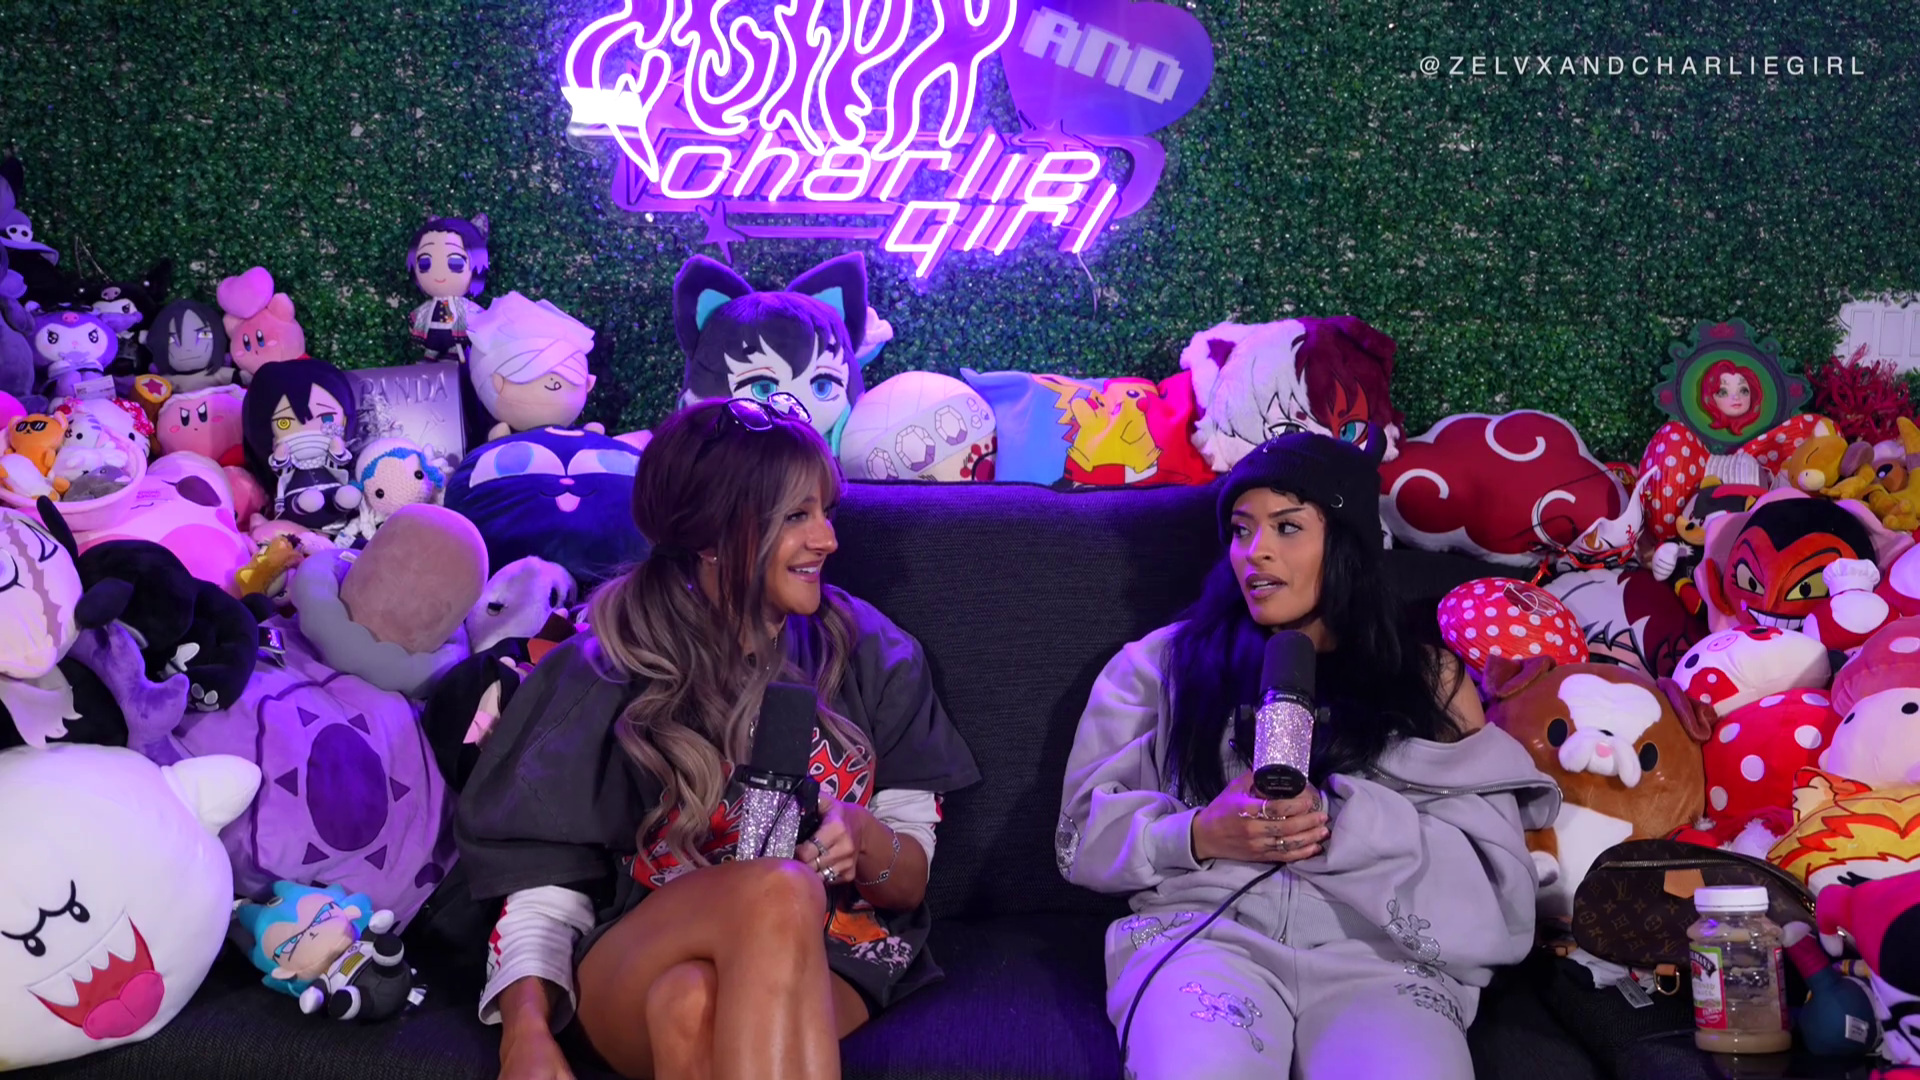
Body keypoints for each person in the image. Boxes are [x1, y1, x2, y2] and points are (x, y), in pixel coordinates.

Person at [457, 394, 980, 1080]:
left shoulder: (869, 650)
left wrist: (865, 837)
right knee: (779, 892)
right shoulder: (601, 672)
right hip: (641, 951)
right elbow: (543, 887)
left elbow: (908, 887)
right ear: (710, 536)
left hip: (831, 954)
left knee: (690, 1006)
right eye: (796, 517)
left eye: (826, 512)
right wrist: (523, 1035)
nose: (828, 540)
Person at [1056, 432, 1561, 1080]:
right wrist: (1199, 834)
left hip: (1380, 958)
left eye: (1287, 526)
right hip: (1208, 940)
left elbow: (1494, 886)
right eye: (1242, 530)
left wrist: (1341, 823)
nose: (1255, 551)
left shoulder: (1430, 681)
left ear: (1346, 543)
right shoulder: (1159, 667)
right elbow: (1080, 837)